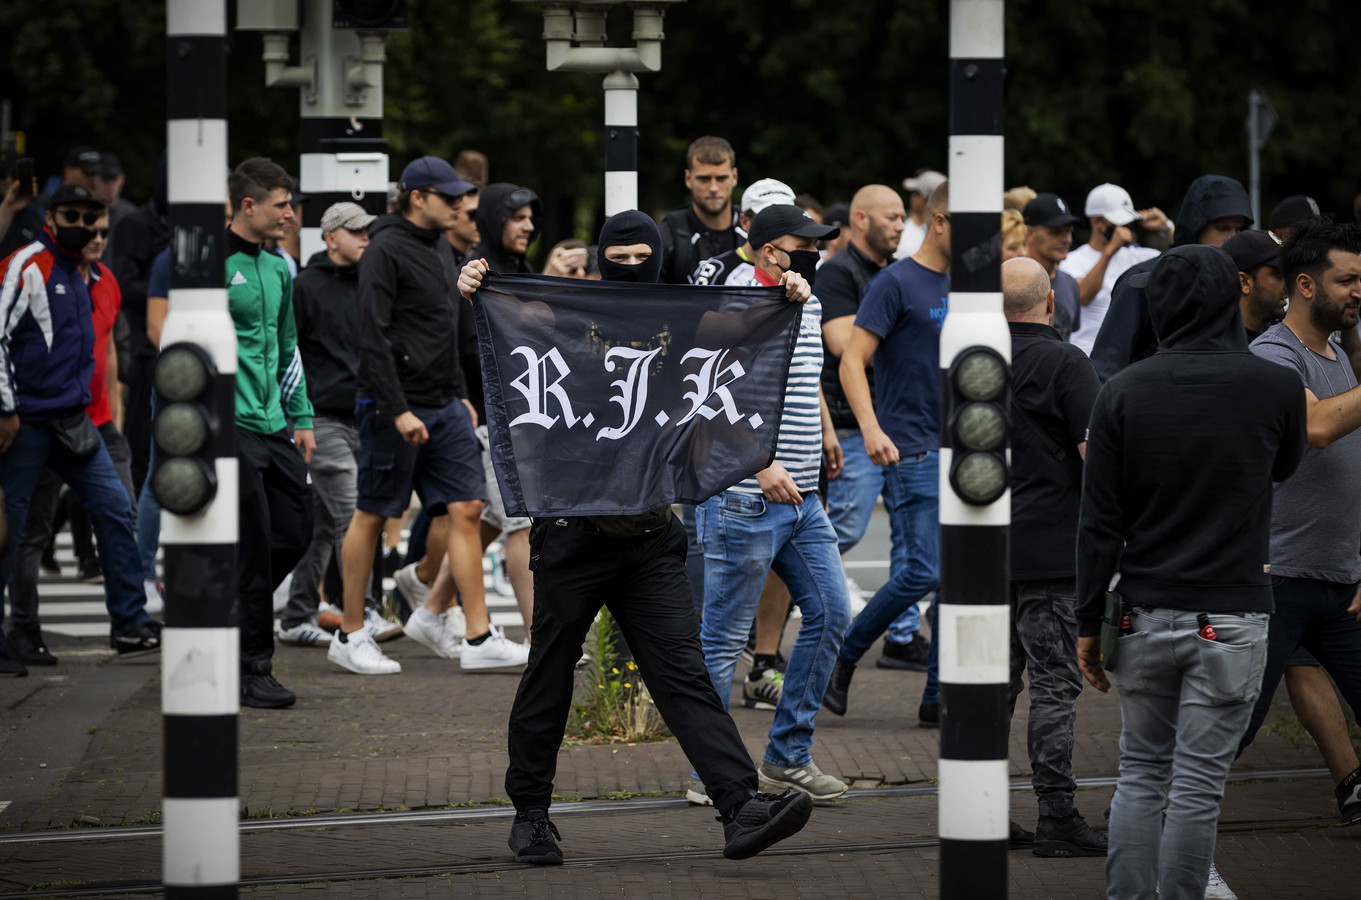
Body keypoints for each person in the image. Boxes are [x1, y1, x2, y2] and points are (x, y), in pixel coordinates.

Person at [459, 210, 815, 866]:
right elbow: (499, 322)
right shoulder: (561, 317)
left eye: (639, 257)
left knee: (683, 675)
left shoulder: (678, 322)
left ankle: (738, 806)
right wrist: (475, 282)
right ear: (600, 259)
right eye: (616, 257)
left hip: (650, 536)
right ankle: (531, 815)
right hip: (572, 536)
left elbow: (741, 325)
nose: (629, 268)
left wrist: (789, 294)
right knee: (551, 674)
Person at [1076, 243, 1305, 900]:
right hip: (1232, 614)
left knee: (1139, 774)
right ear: (1227, 297)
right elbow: (1283, 468)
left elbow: (1098, 524)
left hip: (1141, 612)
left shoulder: (1121, 391)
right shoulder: (1274, 385)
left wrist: (1089, 623)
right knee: (1198, 786)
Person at [329, 157, 525, 675]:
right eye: (450, 196)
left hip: (446, 405)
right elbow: (370, 335)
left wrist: (460, 394)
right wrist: (397, 410)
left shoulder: (441, 246)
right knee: (372, 513)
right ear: (418, 197)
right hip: (392, 406)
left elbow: (449, 331)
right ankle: (350, 633)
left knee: (467, 508)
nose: (461, 205)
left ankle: (478, 636)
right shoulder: (384, 248)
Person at [696, 204, 851, 801]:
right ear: (767, 252)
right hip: (745, 497)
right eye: (800, 244)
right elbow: (707, 393)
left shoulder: (804, 300)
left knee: (832, 614)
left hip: (804, 498)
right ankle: (710, 775)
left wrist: (827, 430)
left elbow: (802, 373)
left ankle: (787, 757)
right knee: (722, 641)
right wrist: (757, 463)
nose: (813, 252)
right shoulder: (739, 301)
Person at [0, 184, 160, 671]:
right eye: (74, 215)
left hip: (75, 420)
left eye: (93, 219)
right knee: (12, 533)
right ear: (50, 216)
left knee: (115, 509)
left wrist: (109, 408)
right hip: (25, 422)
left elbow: (104, 349)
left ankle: (130, 624)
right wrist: (6, 409)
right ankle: (18, 634)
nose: (86, 227)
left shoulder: (90, 275)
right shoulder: (26, 266)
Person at [1235, 216, 1361, 827]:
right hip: (1281, 578)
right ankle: (1155, 818)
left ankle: (1352, 787)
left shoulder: (1337, 354)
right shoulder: (1273, 356)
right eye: (1348, 280)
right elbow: (1317, 427)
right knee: (1233, 726)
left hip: (1339, 580)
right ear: (1306, 285)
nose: (1359, 291)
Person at [823, 180, 951, 725]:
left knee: (960, 576)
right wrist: (872, 429)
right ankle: (844, 656)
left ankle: (936, 697)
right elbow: (851, 360)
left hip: (965, 452)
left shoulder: (971, 285)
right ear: (943, 219)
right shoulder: (894, 282)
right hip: (911, 446)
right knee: (922, 570)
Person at [397, 182, 542, 655]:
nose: (529, 226)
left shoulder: (518, 268)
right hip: (483, 414)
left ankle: (431, 609)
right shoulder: (475, 269)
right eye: (517, 217)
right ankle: (542, 639)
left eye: (531, 218)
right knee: (520, 520)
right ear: (496, 218)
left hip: (515, 412)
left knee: (493, 520)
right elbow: (461, 343)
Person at [998, 257, 1106, 857]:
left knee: (993, 687)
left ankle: (980, 808)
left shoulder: (969, 365)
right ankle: (1057, 816)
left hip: (984, 554)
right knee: (1054, 687)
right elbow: (1097, 456)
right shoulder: (1067, 361)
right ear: (1051, 305)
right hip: (1052, 553)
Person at [277, 201, 401, 647]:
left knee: (324, 523)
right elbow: (287, 352)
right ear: (330, 238)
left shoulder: (374, 284)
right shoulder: (306, 286)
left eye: (369, 231)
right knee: (354, 514)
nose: (366, 238)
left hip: (366, 415)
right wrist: (298, 415)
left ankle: (297, 614)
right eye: (355, 232)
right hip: (320, 417)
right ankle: (362, 611)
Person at [816, 184, 923, 668]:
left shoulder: (899, 273)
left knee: (909, 533)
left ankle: (901, 637)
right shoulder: (837, 272)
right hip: (853, 422)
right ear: (861, 219)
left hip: (898, 419)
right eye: (893, 216)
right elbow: (842, 343)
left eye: (903, 217)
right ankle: (778, 603)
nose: (902, 225)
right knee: (843, 528)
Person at [225, 158, 318, 707]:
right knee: (256, 545)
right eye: (282, 204)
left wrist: (300, 416)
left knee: (296, 530)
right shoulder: (213, 262)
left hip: (272, 424)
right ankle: (251, 667)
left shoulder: (281, 266)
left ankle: (229, 608)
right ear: (248, 205)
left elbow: (287, 348)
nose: (290, 213)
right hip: (228, 424)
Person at [1089, 175, 1250, 380]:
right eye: (1223, 228)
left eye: (1239, 229)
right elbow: (1107, 365)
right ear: (1197, 226)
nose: (1232, 237)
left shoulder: (1242, 280)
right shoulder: (1142, 280)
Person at [109, 152, 169, 495]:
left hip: (174, 346)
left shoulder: (191, 225)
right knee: (140, 444)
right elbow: (123, 283)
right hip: (143, 347)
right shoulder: (136, 225)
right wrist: (166, 289)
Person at [1059, 183, 1165, 354]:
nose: (1125, 229)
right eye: (1118, 223)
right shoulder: (1073, 260)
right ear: (1096, 222)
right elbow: (1083, 296)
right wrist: (1109, 252)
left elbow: (1188, 258)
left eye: (1128, 222)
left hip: (1128, 359)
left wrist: (1166, 227)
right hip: (1088, 356)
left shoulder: (1139, 256)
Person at [656, 136, 741, 285]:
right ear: (688, 179)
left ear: (734, 177)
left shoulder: (753, 230)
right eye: (704, 179)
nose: (713, 188)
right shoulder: (667, 235)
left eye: (721, 178)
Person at [691, 178, 796, 287]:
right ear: (744, 221)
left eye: (787, 219)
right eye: (766, 219)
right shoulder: (715, 270)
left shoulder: (802, 266)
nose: (778, 227)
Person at [1022, 193, 1083, 343]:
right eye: (1055, 232)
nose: (1066, 239)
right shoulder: (1010, 281)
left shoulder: (1070, 284)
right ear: (1029, 233)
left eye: (1069, 231)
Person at [1223, 229, 1286, 343]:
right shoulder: (1220, 348)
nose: (1287, 286)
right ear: (1244, 282)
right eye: (1278, 275)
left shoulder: (1276, 341)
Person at [894, 169, 946, 260]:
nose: (911, 197)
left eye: (913, 192)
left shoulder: (900, 230)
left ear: (922, 198)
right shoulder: (950, 233)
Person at [0, 152, 43, 260]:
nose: (8, 180)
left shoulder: (36, 216)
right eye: (2, 174)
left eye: (14, 175)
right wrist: (8, 208)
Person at [94, 153, 136, 262]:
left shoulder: (131, 215)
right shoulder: (83, 214)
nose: (110, 185)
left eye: (113, 178)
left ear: (121, 179)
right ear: (95, 180)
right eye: (105, 179)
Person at [445, 187, 480, 269]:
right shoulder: (435, 257)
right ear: (453, 213)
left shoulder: (487, 257)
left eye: (483, 214)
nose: (480, 221)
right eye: (473, 214)